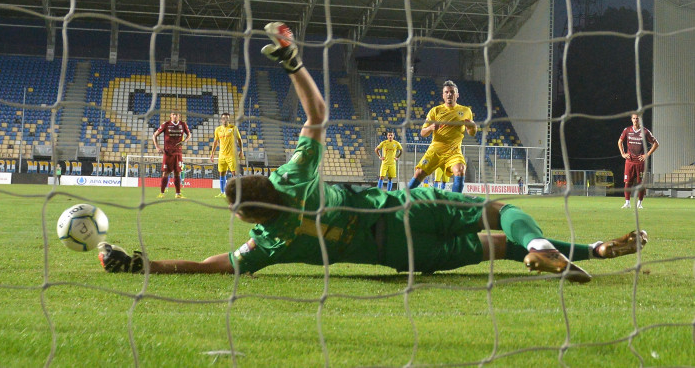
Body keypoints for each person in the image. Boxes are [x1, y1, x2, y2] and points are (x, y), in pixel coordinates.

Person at [99, 21, 648, 283]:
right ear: (262, 184)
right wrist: (293, 62)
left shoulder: (270, 241)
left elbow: (212, 265)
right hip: (406, 211)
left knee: (500, 248)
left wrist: (147, 265)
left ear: (245, 216)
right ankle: (554, 249)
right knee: (502, 214)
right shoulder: (296, 178)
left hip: (404, 261)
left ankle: (592, 251)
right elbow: (318, 116)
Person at [408, 80, 477, 194]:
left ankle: (454, 204)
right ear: (443, 95)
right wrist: (430, 128)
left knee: (460, 170)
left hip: (454, 151)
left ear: (457, 95)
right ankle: (402, 199)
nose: (449, 94)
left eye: (452, 92)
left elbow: (472, 133)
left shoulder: (466, 111)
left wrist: (473, 126)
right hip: (436, 150)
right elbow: (423, 133)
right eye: (446, 92)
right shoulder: (435, 111)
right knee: (419, 173)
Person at [618, 114, 659, 209]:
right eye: (634, 118)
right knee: (627, 182)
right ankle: (627, 203)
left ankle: (639, 203)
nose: (635, 120)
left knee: (641, 183)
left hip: (640, 162)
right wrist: (623, 154)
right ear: (631, 120)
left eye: (637, 118)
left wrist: (647, 154)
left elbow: (656, 144)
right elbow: (619, 141)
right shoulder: (627, 130)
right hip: (630, 161)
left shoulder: (645, 131)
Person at [153, 111, 191, 199]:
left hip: (178, 153)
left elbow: (189, 134)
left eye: (176, 115)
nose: (175, 116)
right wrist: (157, 147)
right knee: (165, 173)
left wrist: (184, 141)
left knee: (177, 173)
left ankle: (178, 194)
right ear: (170, 115)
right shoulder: (166, 124)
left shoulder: (183, 124)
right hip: (168, 153)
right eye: (173, 114)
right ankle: (162, 193)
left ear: (179, 116)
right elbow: (154, 135)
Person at [210, 112, 244, 198]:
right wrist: (212, 153)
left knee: (234, 173)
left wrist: (241, 151)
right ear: (221, 119)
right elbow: (215, 142)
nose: (225, 119)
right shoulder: (218, 129)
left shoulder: (233, 128)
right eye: (224, 118)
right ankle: (222, 192)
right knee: (222, 173)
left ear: (229, 119)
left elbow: (239, 140)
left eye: (227, 118)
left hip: (231, 155)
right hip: (221, 156)